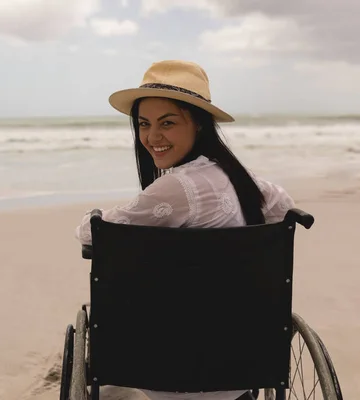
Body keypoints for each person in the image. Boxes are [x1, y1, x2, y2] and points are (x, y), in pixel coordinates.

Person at [74, 60, 295, 400]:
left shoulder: (178, 189)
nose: (152, 137)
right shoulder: (240, 178)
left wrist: (94, 214)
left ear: (200, 125)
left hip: (170, 367)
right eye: (144, 124)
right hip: (244, 360)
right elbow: (283, 208)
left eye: (168, 123)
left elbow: (93, 234)